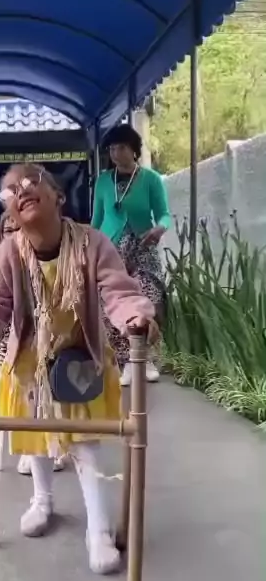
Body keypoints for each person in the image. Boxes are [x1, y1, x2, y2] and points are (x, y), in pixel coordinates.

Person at [0, 163, 157, 575]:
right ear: (10, 212)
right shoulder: (10, 251)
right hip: (29, 360)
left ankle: (98, 528)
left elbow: (119, 291)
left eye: (31, 181)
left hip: (79, 356)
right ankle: (42, 499)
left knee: (85, 444)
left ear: (58, 195)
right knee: (34, 435)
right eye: (10, 191)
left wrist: (135, 317)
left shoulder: (91, 243)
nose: (21, 191)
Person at [91, 124, 171, 386]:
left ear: (134, 149)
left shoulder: (151, 179)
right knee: (112, 304)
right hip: (110, 250)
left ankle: (145, 358)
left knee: (148, 299)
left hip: (143, 247)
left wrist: (160, 228)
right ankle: (125, 361)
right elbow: (96, 219)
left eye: (122, 147)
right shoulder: (104, 181)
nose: (116, 153)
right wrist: (89, 248)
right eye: (112, 149)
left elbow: (164, 214)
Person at [0, 211, 67, 475]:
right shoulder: (3, 259)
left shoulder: (48, 256)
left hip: (50, 336)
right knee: (24, 394)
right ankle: (29, 449)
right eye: (9, 230)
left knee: (54, 391)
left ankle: (56, 445)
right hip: (14, 338)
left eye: (19, 228)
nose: (15, 234)